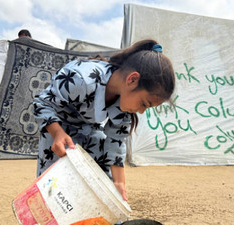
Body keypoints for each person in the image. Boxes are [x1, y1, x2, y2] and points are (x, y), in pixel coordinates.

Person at [33, 39, 175, 202]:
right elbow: (42, 103)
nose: (142, 111)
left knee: (102, 187)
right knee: (54, 191)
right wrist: (57, 133)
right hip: (58, 128)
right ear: (132, 79)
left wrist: (118, 182)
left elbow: (116, 140)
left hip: (90, 130)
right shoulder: (81, 79)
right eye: (144, 103)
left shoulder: (123, 102)